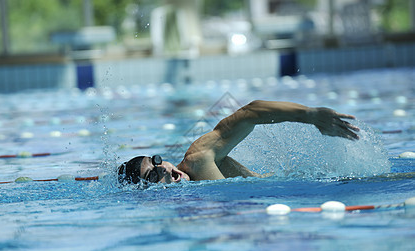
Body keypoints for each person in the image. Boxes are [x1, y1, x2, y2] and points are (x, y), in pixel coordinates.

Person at [117, 100, 360, 185]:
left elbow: (248, 113)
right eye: (152, 176)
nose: (164, 169)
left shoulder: (199, 159)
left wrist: (309, 115)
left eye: (157, 161)